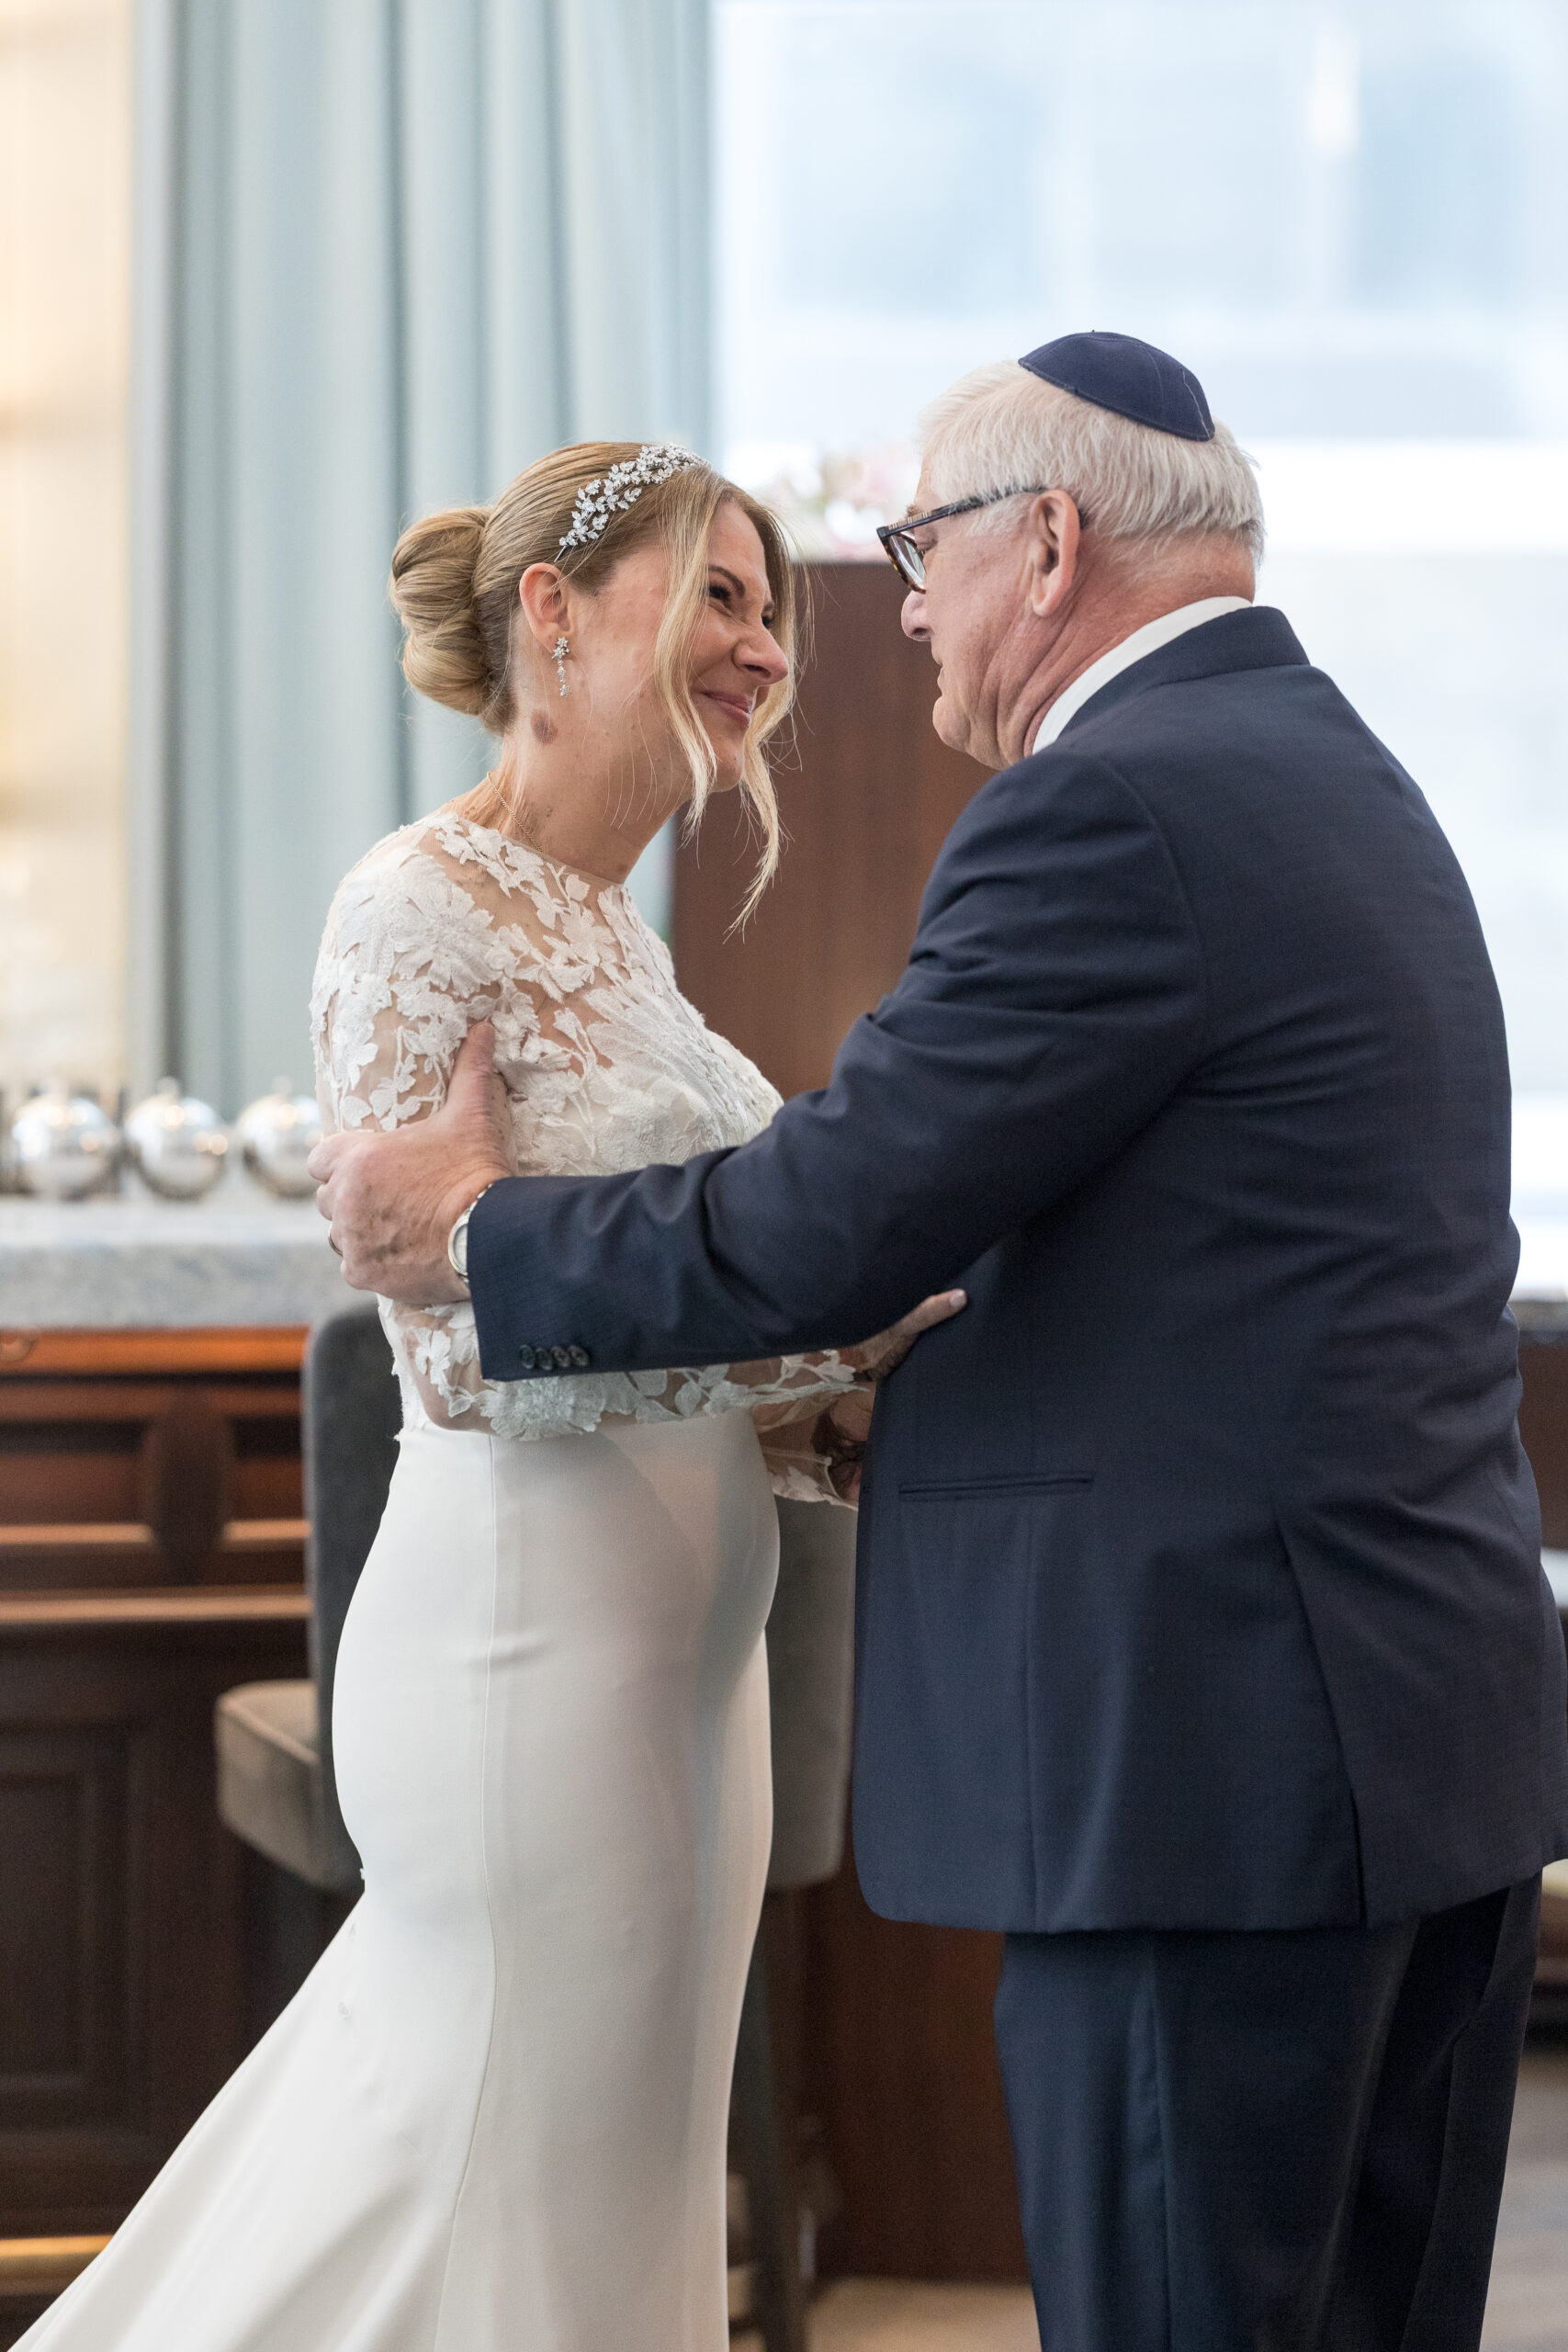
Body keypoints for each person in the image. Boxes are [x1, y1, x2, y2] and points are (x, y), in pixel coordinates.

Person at [315, 334, 1568, 2352]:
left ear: (1047, 541)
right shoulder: (1334, 768)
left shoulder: (1112, 807)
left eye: (914, 548)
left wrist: (474, 1226)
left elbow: (828, 1218)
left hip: (1211, 1771)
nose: (882, 609)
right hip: (1409, 1739)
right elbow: (1188, 1287)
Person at [22, 443, 957, 2352]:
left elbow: (638, 1288)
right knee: (481, 2157)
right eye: (716, 592)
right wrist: (826, 1328)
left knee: (609, 2180)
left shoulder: (612, 925)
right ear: (554, 612)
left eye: (766, 607)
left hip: (685, 1668)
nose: (760, 646)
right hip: (527, 1652)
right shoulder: (414, 908)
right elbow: (459, 1349)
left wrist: (845, 1387)